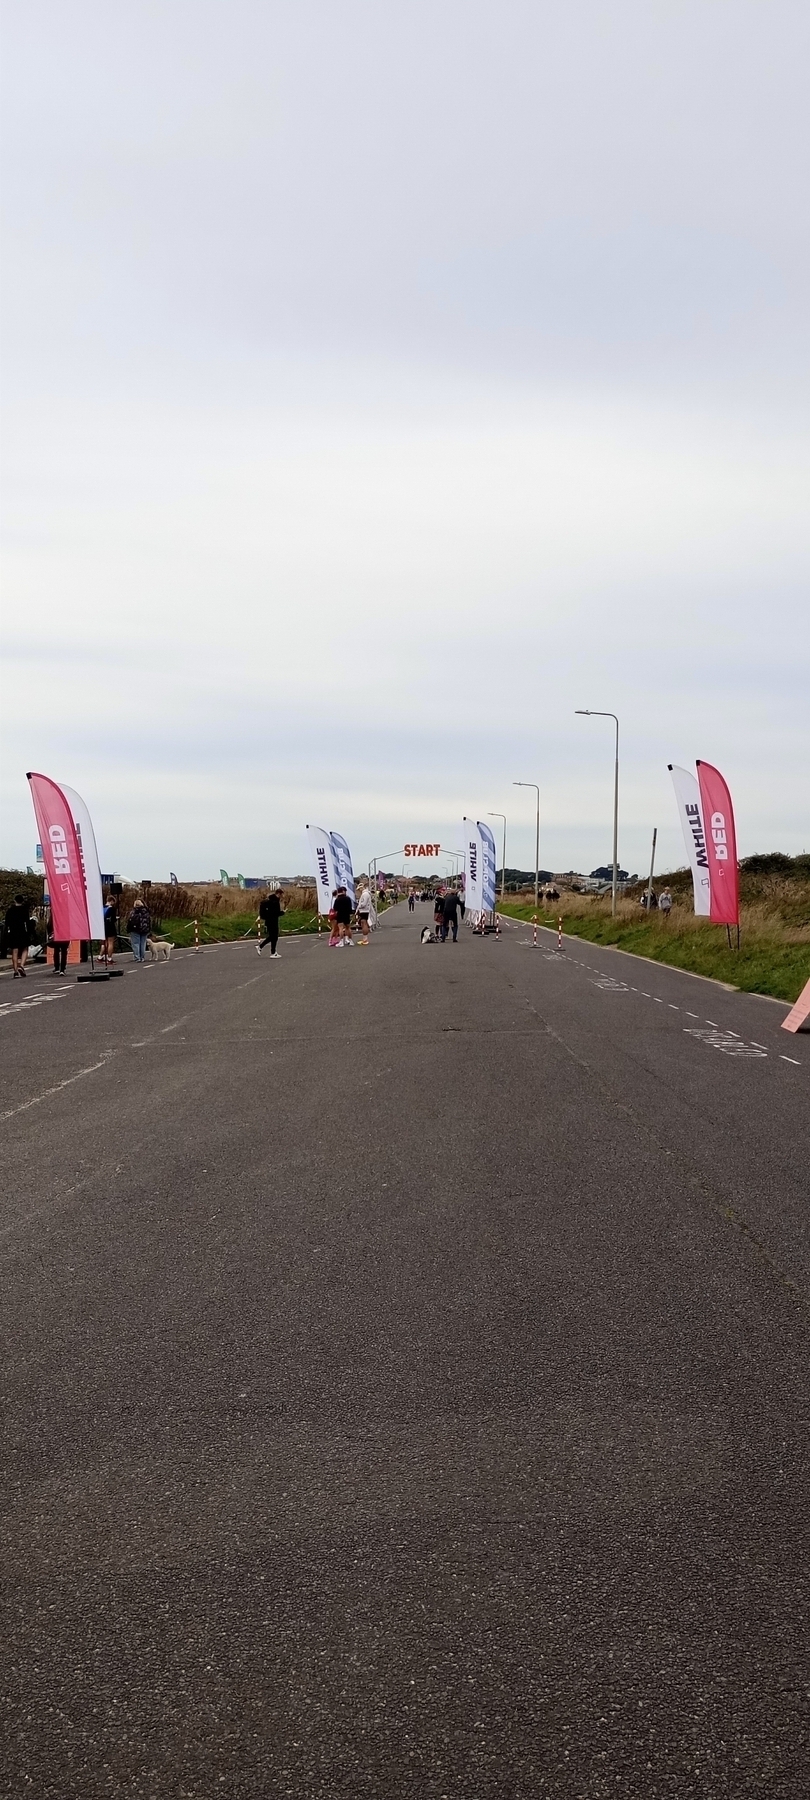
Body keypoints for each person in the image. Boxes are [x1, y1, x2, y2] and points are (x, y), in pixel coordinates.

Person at [5, 893, 32, 978]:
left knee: (14, 951)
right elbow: (27, 922)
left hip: (13, 932)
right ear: (22, 901)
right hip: (22, 931)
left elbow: (6, 923)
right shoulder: (25, 910)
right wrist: (30, 932)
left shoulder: (10, 910)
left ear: (15, 901)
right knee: (25, 948)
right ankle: (22, 965)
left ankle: (15, 971)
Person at [257, 888, 284, 957]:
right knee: (273, 937)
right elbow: (274, 913)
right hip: (272, 921)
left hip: (269, 921)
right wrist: (282, 912)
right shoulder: (274, 902)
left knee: (274, 937)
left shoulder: (270, 900)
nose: (282, 896)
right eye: (281, 895)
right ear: (278, 894)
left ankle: (273, 952)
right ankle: (262, 948)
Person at [127, 897, 151, 962]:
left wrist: (129, 929)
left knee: (135, 944)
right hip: (145, 929)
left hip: (135, 930)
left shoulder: (133, 912)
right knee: (143, 944)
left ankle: (137, 957)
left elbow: (130, 921)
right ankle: (142, 957)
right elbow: (148, 921)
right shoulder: (146, 911)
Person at [46, 906, 69, 975]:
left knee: (56, 950)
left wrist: (50, 934)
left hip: (56, 935)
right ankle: (62, 969)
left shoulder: (54, 915)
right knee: (64, 951)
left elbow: (49, 925)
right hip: (65, 935)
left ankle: (56, 967)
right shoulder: (66, 915)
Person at [102, 895, 118, 964]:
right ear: (111, 901)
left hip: (102, 926)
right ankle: (109, 958)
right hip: (110, 926)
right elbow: (113, 919)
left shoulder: (102, 907)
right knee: (110, 943)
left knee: (104, 942)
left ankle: (100, 956)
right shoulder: (112, 909)